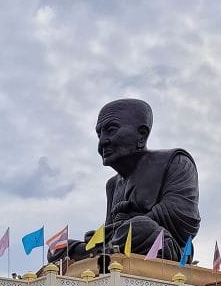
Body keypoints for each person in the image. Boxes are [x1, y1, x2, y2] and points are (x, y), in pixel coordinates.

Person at [55, 99, 201, 264]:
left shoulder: (175, 161)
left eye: (111, 130)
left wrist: (129, 222)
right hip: (119, 241)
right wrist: (103, 234)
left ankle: (101, 253)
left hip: (165, 246)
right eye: (99, 134)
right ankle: (102, 252)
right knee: (60, 249)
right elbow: (111, 226)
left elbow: (185, 219)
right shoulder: (112, 185)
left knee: (139, 227)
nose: (102, 142)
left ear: (142, 134)